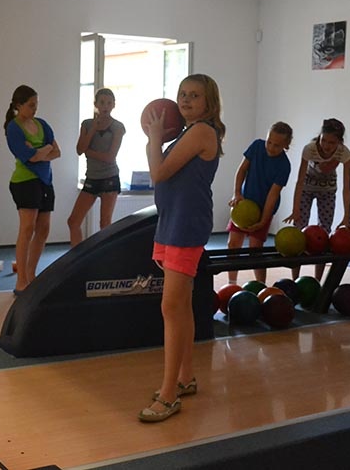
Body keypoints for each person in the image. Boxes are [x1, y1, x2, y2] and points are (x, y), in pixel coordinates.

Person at [138, 74, 225, 423]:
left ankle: (169, 395)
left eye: (194, 95)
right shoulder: (189, 133)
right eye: (182, 94)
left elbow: (158, 173)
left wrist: (153, 139)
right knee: (182, 307)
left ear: (209, 103)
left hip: (185, 227)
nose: (186, 100)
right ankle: (185, 378)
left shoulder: (202, 132)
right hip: (171, 223)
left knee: (171, 307)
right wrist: (158, 139)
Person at [5, 85, 61, 294]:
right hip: (25, 182)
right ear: (18, 105)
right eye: (30, 105)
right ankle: (21, 281)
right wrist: (44, 149)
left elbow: (57, 152)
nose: (34, 108)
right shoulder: (13, 128)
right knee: (27, 227)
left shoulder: (42, 124)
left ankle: (31, 274)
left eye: (36, 104)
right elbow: (31, 158)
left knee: (43, 228)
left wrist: (40, 151)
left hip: (45, 181)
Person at [283, 118, 350, 280]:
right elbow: (300, 181)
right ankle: (295, 278)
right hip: (306, 189)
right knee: (298, 231)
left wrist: (347, 216)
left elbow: (347, 187)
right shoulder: (310, 149)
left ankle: (317, 280)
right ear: (319, 137)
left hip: (327, 191)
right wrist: (295, 209)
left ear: (339, 142)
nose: (326, 146)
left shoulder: (345, 154)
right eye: (324, 140)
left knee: (324, 232)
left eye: (332, 142)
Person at [226, 122, 293, 285]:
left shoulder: (284, 165)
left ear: (286, 145)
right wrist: (237, 193)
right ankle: (231, 284)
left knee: (255, 250)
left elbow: (273, 195)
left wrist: (263, 220)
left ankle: (262, 286)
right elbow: (242, 170)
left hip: (264, 209)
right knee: (233, 244)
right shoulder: (256, 146)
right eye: (269, 142)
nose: (271, 147)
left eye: (277, 145)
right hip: (244, 203)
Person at [67, 88, 125, 247]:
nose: (105, 106)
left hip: (109, 177)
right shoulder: (87, 124)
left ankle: (105, 258)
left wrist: (89, 152)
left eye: (109, 103)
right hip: (92, 177)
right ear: (96, 104)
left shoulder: (118, 127)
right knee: (73, 221)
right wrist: (93, 128)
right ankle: (77, 257)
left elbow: (110, 156)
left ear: (114, 105)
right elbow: (79, 149)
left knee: (105, 223)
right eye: (102, 102)